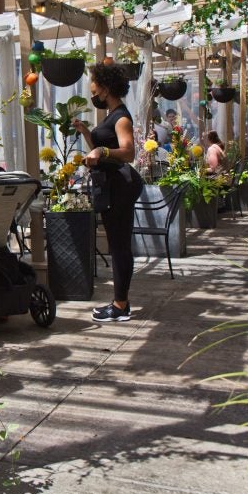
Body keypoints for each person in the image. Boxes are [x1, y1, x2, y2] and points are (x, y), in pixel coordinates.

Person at [72, 63, 144, 323]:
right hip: (112, 185)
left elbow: (128, 152)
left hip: (121, 186)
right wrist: (86, 133)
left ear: (104, 88)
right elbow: (102, 147)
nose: (92, 92)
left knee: (120, 245)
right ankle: (119, 302)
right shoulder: (111, 114)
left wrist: (101, 152)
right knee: (117, 244)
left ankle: (121, 306)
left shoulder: (121, 117)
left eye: (93, 87)